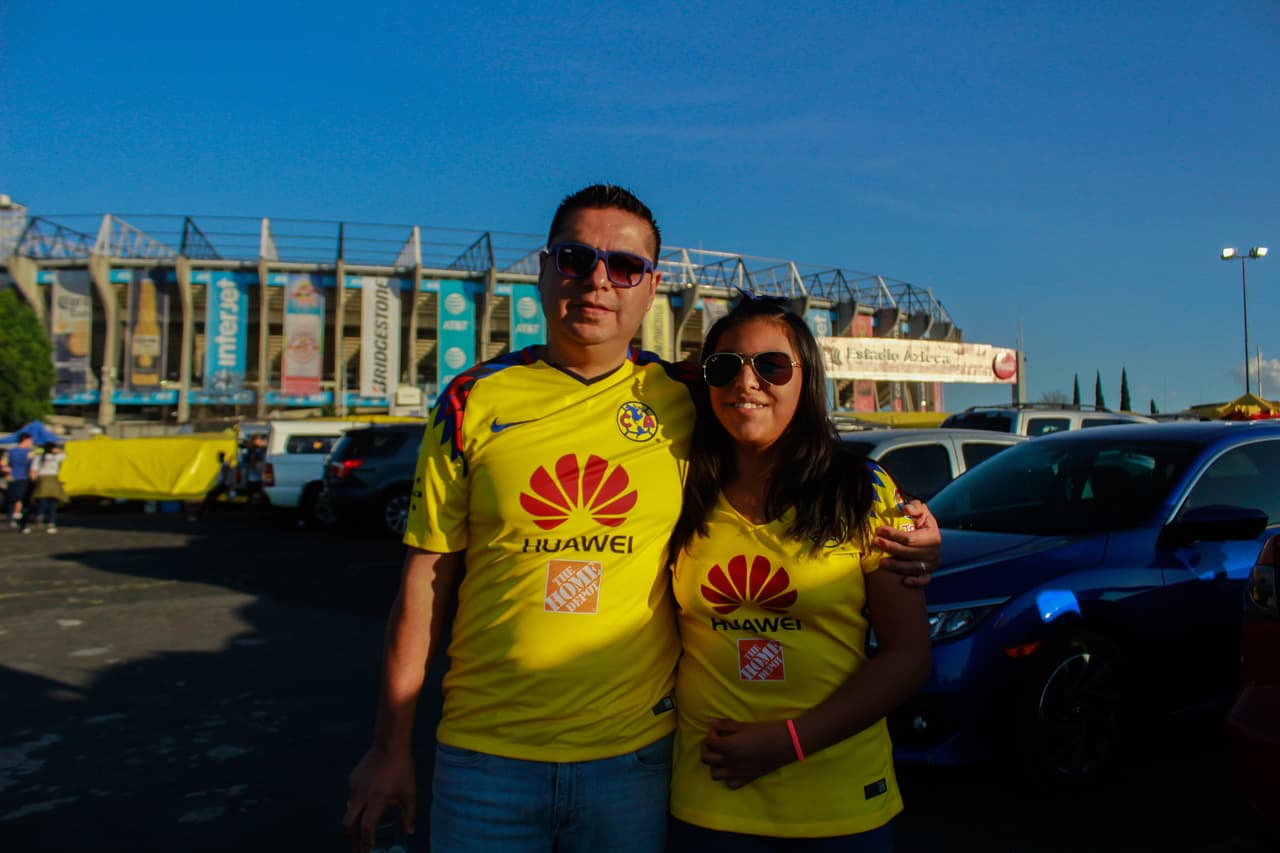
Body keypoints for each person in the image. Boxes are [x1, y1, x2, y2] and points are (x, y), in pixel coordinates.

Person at [343, 185, 941, 852]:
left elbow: (789, 437)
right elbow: (423, 588)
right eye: (575, 257)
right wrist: (388, 746)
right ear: (543, 269)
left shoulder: (689, 395)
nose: (598, 280)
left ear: (651, 286)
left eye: (624, 266)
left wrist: (914, 524)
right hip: (486, 758)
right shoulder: (469, 402)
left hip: (633, 762)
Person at [664, 296, 932, 851]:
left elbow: (908, 658)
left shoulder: (866, 491)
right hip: (709, 802)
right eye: (724, 367)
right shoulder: (681, 490)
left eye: (771, 366)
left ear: (806, 380)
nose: (747, 382)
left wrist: (789, 742)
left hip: (838, 808)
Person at [30, 441, 69, 533]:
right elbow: (65, 455)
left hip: (42, 479)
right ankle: (51, 524)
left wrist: (34, 481)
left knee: (42, 500)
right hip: (53, 479)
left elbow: (34, 470)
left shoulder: (39, 457)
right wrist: (58, 451)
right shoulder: (56, 457)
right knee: (53, 502)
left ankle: (40, 514)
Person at [7, 433, 34, 530]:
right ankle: (20, 520)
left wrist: (8, 470)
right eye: (30, 440)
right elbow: (33, 468)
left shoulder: (11, 452)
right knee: (24, 501)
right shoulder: (30, 453)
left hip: (13, 479)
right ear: (25, 440)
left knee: (13, 500)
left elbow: (2, 464)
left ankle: (13, 517)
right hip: (25, 479)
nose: (31, 442)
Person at [199, 451, 235, 518]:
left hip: (223, 485)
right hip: (223, 484)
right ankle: (210, 512)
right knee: (212, 497)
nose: (218, 458)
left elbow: (225, 475)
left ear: (223, 457)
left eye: (220, 457)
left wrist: (221, 484)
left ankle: (201, 513)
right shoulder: (224, 464)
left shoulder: (225, 464)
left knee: (210, 495)